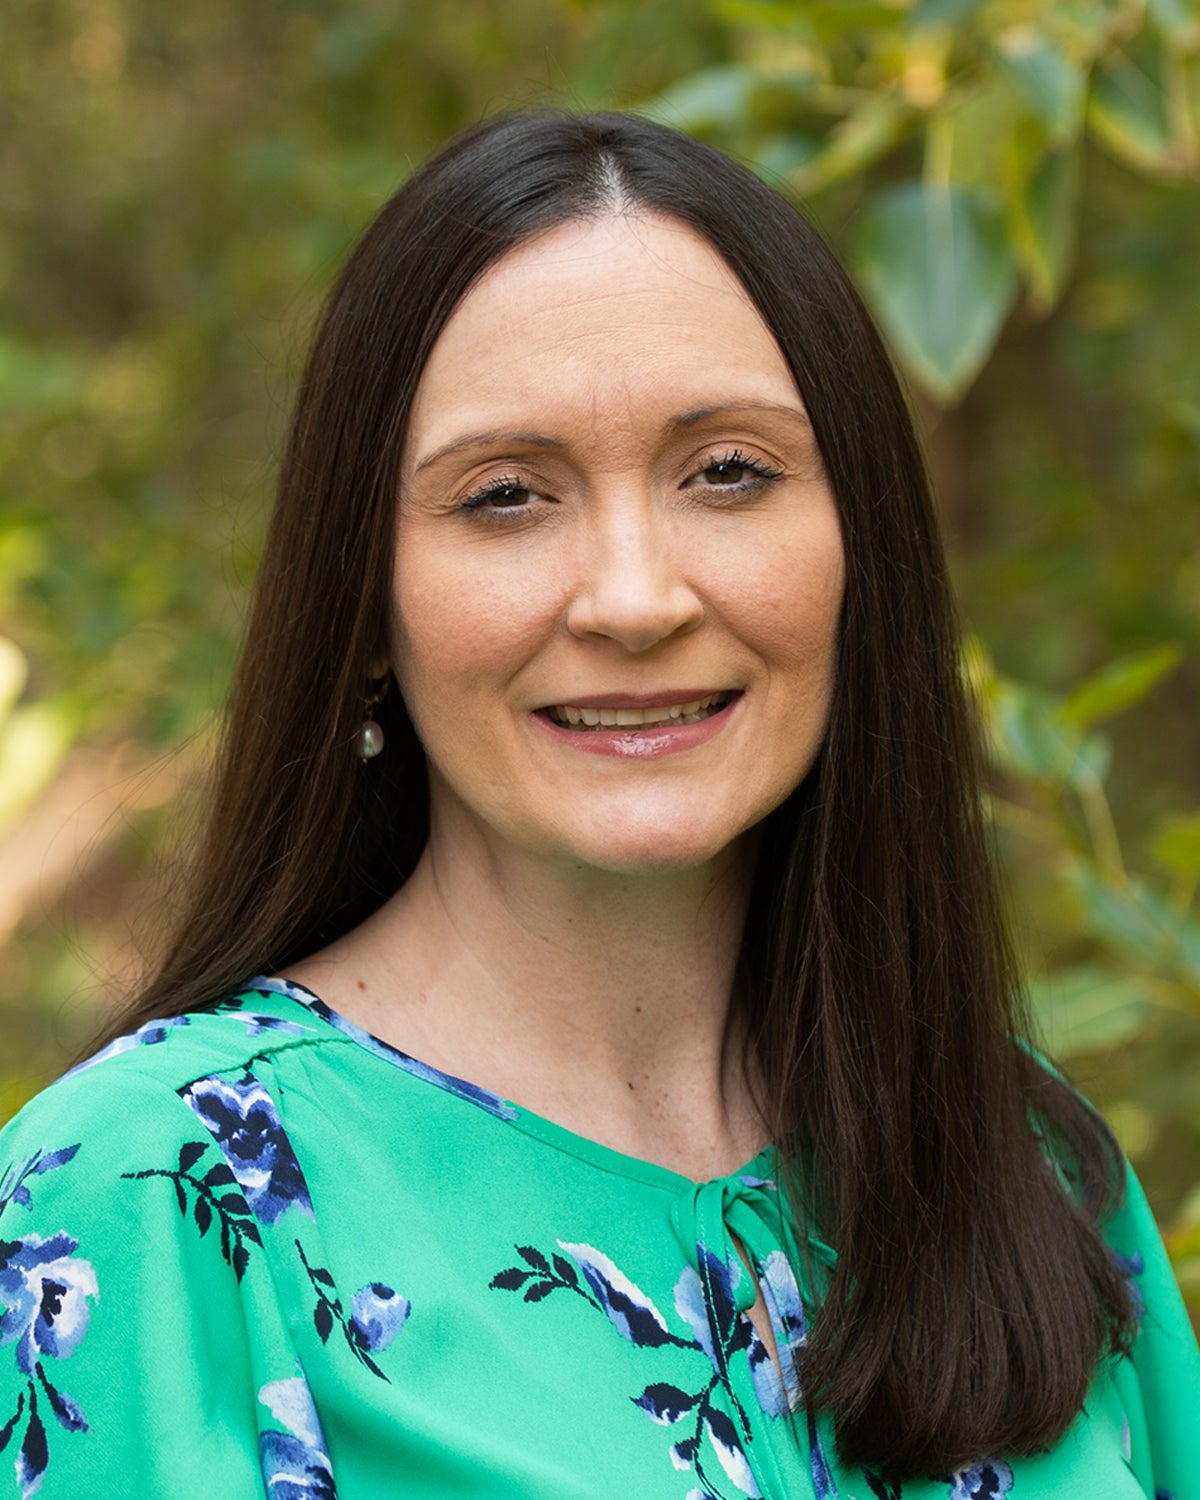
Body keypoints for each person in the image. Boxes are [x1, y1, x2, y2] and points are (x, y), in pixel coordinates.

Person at [0, 111, 1195, 1500]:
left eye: (729, 473)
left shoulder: (1029, 1166)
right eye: (506, 496)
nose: (636, 599)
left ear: (859, 543)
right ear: (367, 600)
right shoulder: (153, 1206)